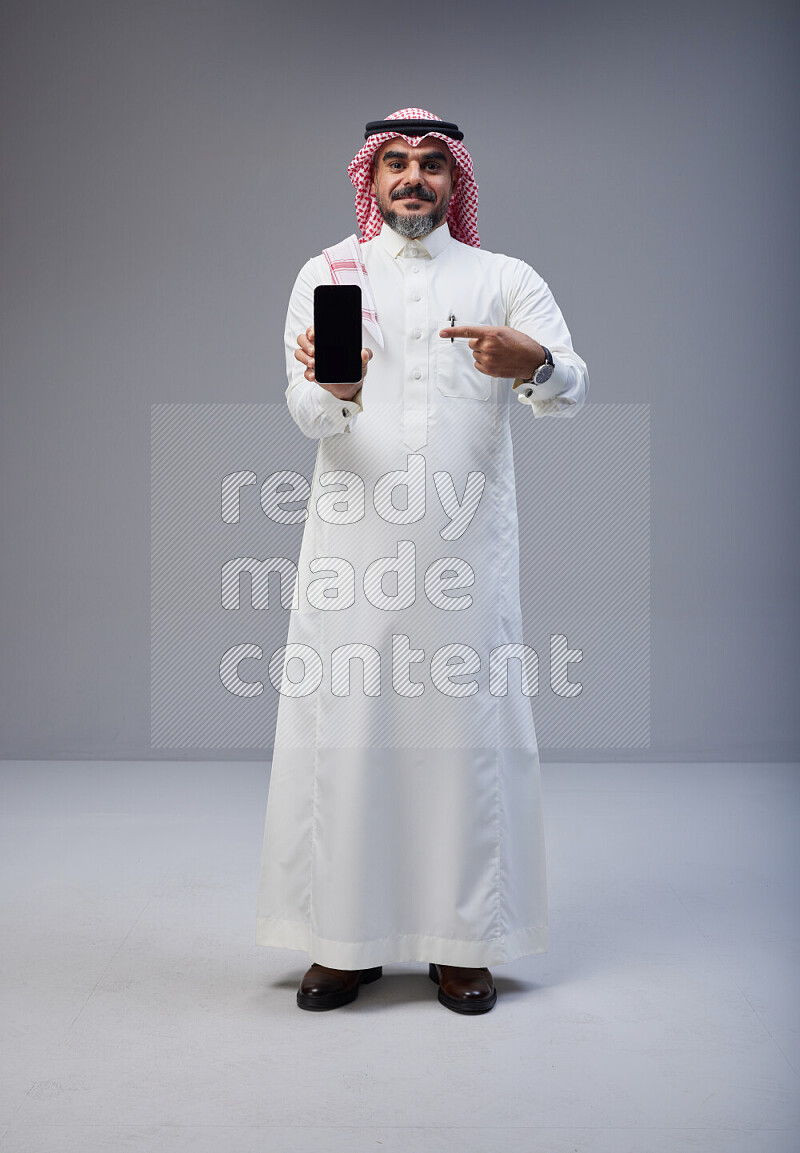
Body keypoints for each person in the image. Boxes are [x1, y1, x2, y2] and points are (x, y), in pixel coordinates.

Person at [255, 107, 589, 1014]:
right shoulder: (329, 273)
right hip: (351, 555)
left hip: (463, 555)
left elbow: (571, 388)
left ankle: (461, 943)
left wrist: (537, 364)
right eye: (395, 162)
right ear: (372, 177)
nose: (412, 178)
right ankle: (343, 942)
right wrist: (336, 390)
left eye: (431, 164)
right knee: (350, 737)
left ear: (455, 180)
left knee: (459, 743)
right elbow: (305, 412)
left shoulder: (503, 277)